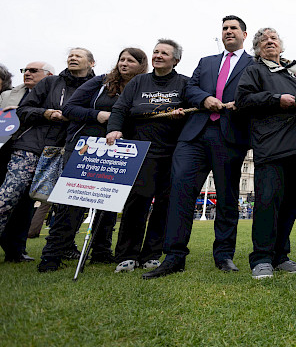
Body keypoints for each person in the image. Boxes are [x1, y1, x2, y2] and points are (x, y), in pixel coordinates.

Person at [144, 17, 254, 279]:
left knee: (227, 198)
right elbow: (190, 88)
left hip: (230, 135)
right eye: (224, 28)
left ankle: (224, 255)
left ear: (244, 34)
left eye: (233, 28)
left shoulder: (254, 65)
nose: (228, 32)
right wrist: (205, 99)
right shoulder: (206, 62)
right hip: (194, 135)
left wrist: (243, 103)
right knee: (179, 193)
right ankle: (173, 256)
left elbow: (256, 95)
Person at [37, 48, 148, 272]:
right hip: (85, 147)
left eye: (130, 61)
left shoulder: (143, 88)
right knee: (71, 203)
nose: (124, 63)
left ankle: (101, 251)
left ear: (141, 66)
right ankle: (52, 255)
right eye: (121, 59)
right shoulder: (101, 82)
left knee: (109, 204)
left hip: (118, 152)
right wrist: (98, 116)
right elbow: (69, 108)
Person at [106, 39, 189, 273]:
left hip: (173, 152)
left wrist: (182, 114)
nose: (158, 56)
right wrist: (114, 128)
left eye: (164, 53)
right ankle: (126, 255)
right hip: (141, 151)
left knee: (165, 204)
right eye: (155, 52)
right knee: (137, 202)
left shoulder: (183, 83)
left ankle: (152, 253)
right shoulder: (139, 82)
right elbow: (120, 108)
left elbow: (194, 108)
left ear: (176, 60)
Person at [0, 49, 95, 247]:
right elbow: (24, 110)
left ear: (92, 63)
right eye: (71, 55)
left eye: (79, 55)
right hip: (31, 146)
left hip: (69, 150)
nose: (73, 57)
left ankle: (64, 247)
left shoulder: (97, 87)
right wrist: (46, 113)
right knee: (8, 196)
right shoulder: (50, 83)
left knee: (67, 204)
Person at [235, 28, 296, 280]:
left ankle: (281, 256)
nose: (269, 42)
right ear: (256, 48)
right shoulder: (255, 70)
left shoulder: (294, 72)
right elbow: (242, 100)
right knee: (267, 203)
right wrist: (276, 99)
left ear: (281, 45)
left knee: (289, 205)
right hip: (271, 146)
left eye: (273, 38)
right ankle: (262, 258)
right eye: (263, 40)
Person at [0, 61, 55, 263]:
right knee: (4, 199)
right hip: (4, 149)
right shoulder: (8, 95)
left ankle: (16, 250)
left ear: (48, 75)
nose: (27, 74)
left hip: (31, 151)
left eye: (33, 70)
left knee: (24, 203)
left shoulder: (54, 94)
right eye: (25, 70)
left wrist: (23, 111)